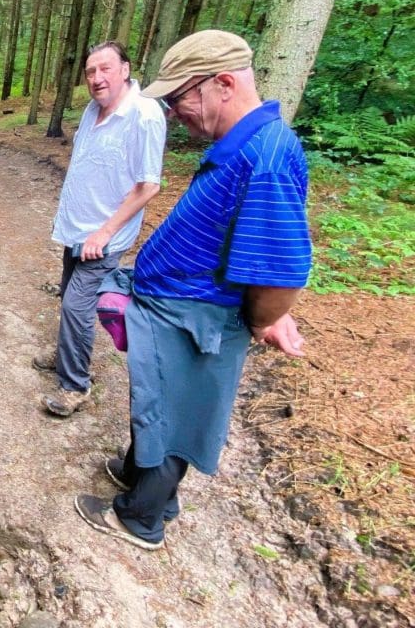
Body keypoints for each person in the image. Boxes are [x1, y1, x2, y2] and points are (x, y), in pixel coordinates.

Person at [74, 30, 312, 550]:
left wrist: (263, 319)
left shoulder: (266, 156)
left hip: (198, 319)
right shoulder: (246, 144)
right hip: (177, 310)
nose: (175, 111)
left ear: (222, 84)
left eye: (180, 97)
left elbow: (281, 272)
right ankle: (142, 474)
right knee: (155, 401)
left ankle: (141, 515)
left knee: (174, 415)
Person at [38, 41, 166, 417]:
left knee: (78, 306)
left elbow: (148, 185)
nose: (97, 78)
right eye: (91, 72)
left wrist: (104, 233)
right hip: (76, 230)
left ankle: (75, 386)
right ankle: (66, 354)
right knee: (68, 297)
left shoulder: (144, 115)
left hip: (103, 239)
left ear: (125, 69)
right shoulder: (91, 111)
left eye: (105, 69)